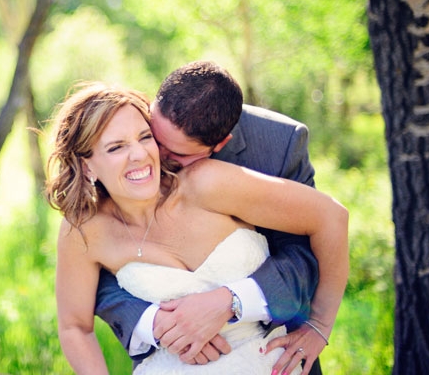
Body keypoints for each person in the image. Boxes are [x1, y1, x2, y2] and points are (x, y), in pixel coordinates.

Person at [46, 81, 348, 374]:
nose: (139, 154)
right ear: (87, 166)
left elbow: (331, 217)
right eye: (116, 147)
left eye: (145, 137)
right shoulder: (84, 231)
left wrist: (319, 326)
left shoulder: (206, 182)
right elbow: (75, 327)